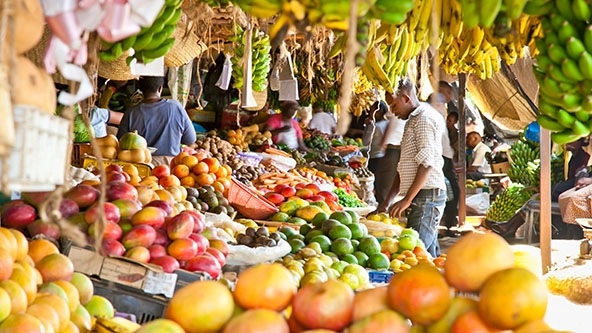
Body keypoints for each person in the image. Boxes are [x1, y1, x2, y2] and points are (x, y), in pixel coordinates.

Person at [377, 78, 447, 258]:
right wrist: (387, 202)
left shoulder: (424, 119)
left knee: (415, 254)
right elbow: (405, 167)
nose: (391, 111)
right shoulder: (412, 119)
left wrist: (407, 199)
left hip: (427, 197)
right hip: (422, 197)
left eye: (393, 106)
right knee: (425, 254)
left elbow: (427, 163)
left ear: (406, 99)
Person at [117, 76, 196, 166]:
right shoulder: (176, 107)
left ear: (140, 90)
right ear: (160, 88)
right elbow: (190, 139)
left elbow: (121, 144)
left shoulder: (131, 112)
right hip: (172, 168)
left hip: (141, 168)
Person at [362, 100, 390, 201]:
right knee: (382, 186)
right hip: (386, 158)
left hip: (375, 159)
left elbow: (365, 142)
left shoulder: (375, 126)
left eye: (372, 110)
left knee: (375, 187)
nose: (369, 113)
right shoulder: (389, 123)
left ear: (379, 111)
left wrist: (368, 126)